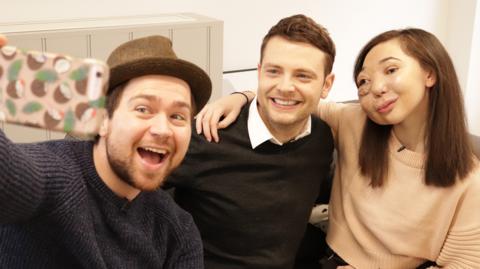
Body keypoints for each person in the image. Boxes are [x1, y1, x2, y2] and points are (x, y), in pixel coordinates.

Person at [197, 28, 480, 268]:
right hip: (324, 258)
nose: (376, 89)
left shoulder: (469, 182)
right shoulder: (354, 122)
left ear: (430, 73)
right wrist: (239, 97)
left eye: (391, 70)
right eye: (363, 82)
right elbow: (293, 100)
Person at [0, 35, 211, 268]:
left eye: (177, 117)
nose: (163, 130)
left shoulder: (178, 232)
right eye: (143, 109)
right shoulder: (55, 177)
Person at [165, 14, 336, 269]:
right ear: (259, 73)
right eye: (274, 71)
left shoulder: (321, 139)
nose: (285, 86)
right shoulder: (208, 134)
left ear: (327, 85)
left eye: (303, 76)